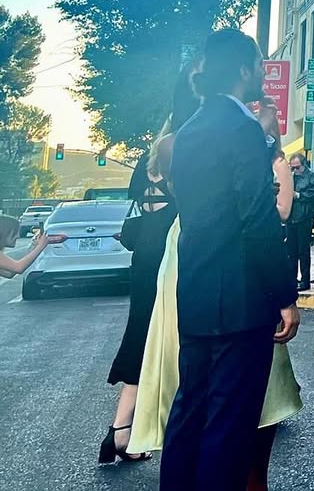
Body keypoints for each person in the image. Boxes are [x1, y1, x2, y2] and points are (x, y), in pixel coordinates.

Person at [131, 89, 302, 490]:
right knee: (221, 403)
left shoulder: (192, 138)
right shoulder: (217, 137)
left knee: (205, 396)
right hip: (228, 272)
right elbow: (256, 214)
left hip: (198, 266)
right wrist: (284, 296)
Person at [99, 70, 194, 465]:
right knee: (170, 337)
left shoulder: (146, 161)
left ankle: (120, 431)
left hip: (143, 252)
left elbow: (137, 200)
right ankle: (154, 429)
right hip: (172, 248)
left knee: (142, 330)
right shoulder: (184, 152)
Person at [286, 151, 314, 291]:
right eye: (292, 167)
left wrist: (298, 195)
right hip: (291, 217)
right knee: (291, 251)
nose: (295, 170)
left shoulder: (312, 176)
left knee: (303, 251)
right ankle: (292, 279)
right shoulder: (291, 176)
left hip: (304, 217)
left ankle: (305, 280)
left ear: (304, 164)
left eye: (297, 167)